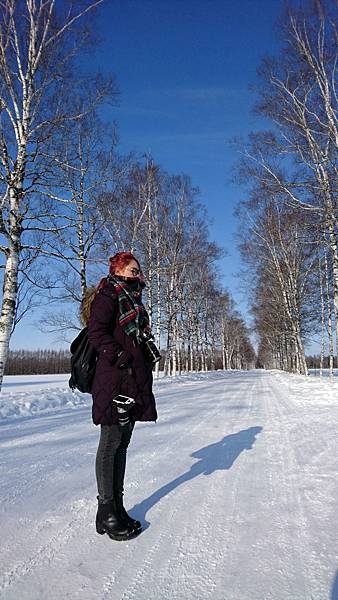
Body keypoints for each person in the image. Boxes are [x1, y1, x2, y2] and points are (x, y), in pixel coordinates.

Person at [85, 251, 158, 541]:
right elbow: (96, 331)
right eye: (133, 269)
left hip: (130, 380)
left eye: (139, 270)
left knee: (122, 443)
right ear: (118, 269)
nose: (139, 274)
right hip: (114, 379)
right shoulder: (109, 294)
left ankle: (117, 507)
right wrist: (120, 355)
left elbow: (132, 336)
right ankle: (106, 511)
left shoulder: (134, 300)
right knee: (111, 441)